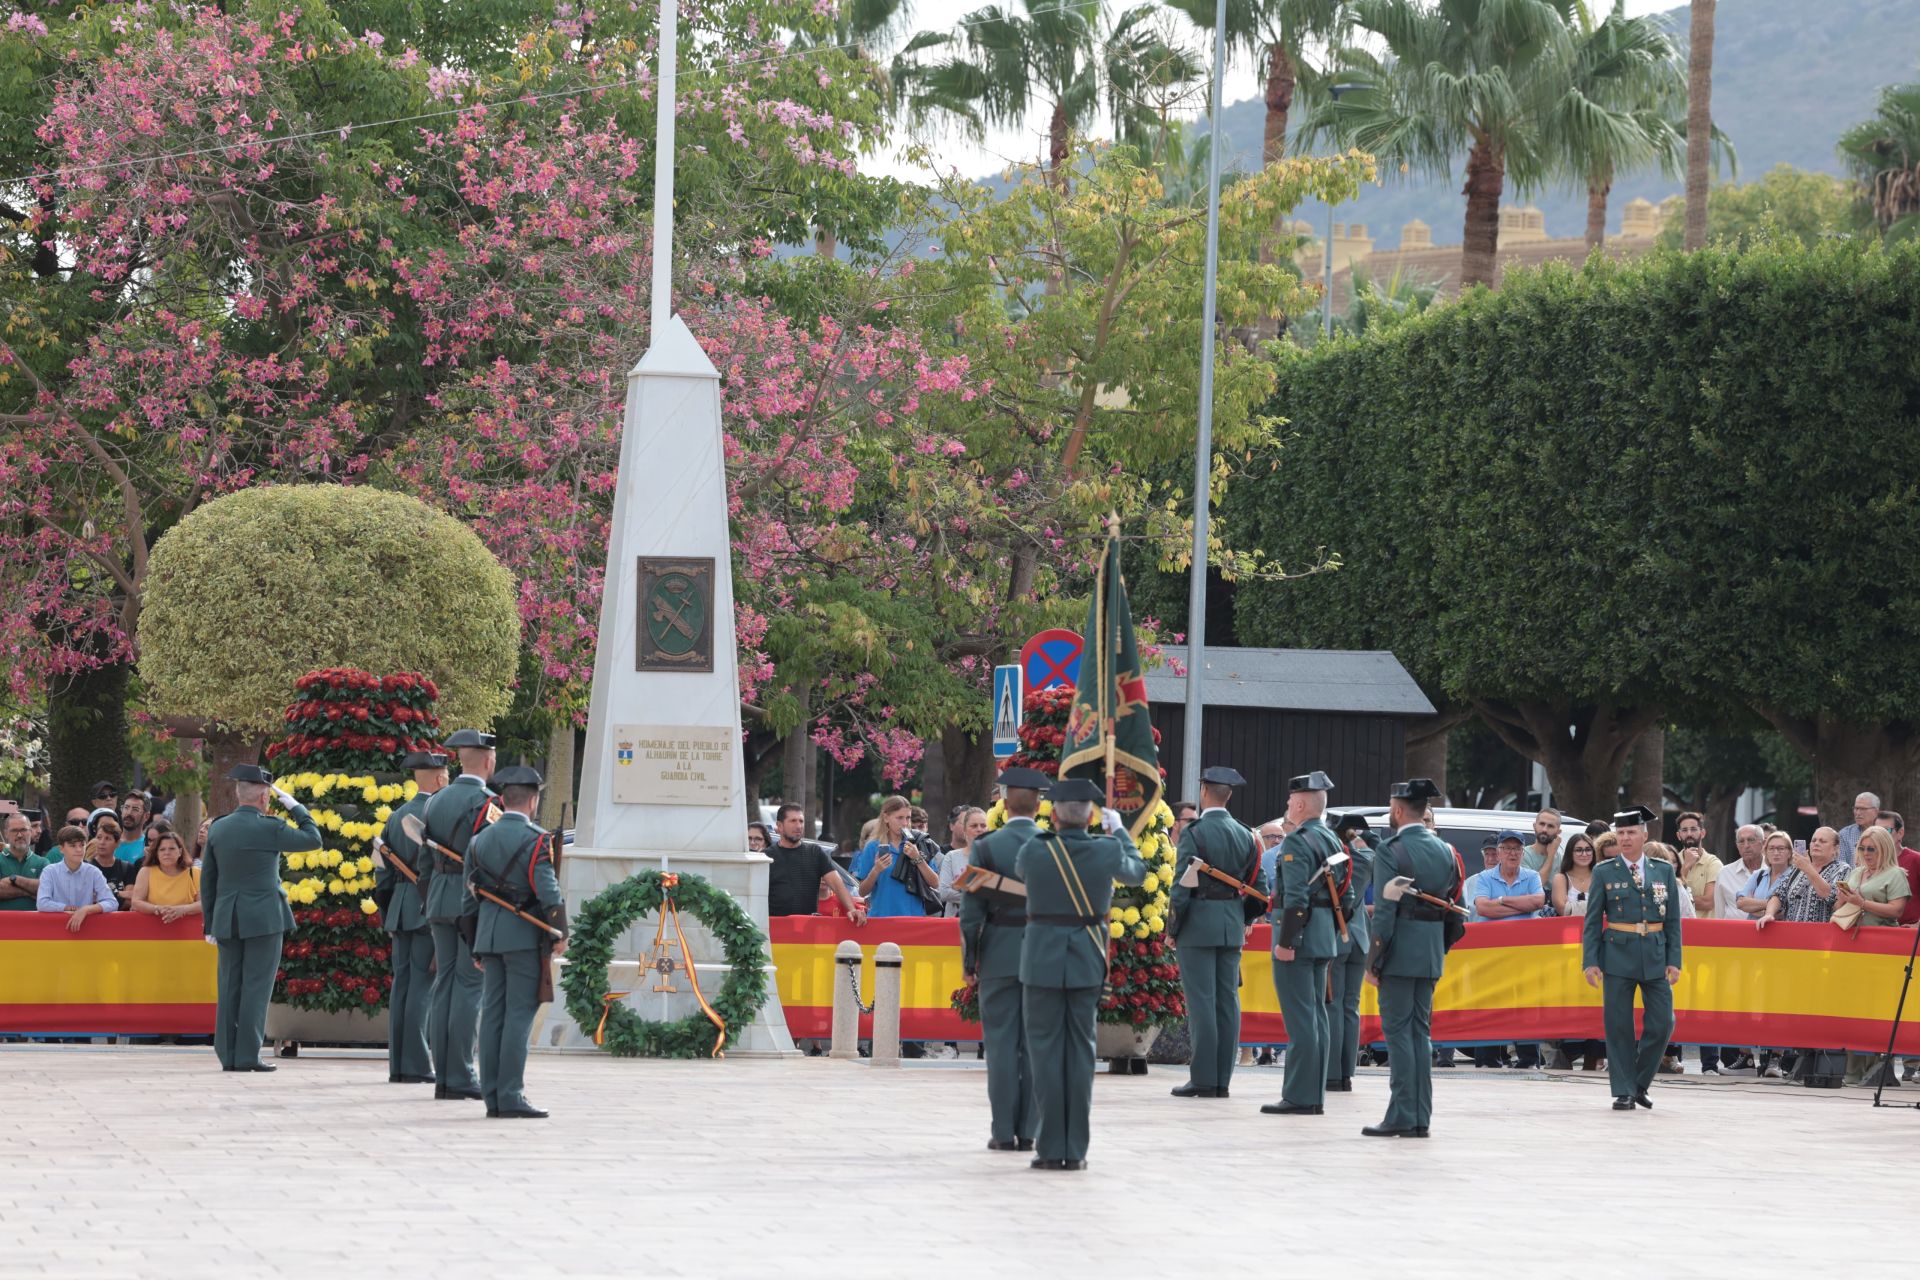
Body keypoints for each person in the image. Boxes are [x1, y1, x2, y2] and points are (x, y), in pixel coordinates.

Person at [1015, 777, 1146, 1170]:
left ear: (1053, 815)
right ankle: (1075, 1151)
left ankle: (1051, 1146)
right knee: (1081, 1054)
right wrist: (1119, 832)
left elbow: (1022, 872)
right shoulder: (1107, 849)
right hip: (1087, 958)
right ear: (1091, 816)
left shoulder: (1034, 851)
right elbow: (1137, 873)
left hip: (1041, 961)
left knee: (1045, 1054)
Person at [462, 764, 567, 1119]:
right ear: (533, 801)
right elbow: (548, 892)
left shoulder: (478, 841)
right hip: (523, 938)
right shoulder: (536, 839)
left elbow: (469, 901)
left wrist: (475, 943)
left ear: (503, 800)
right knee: (518, 1016)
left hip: (489, 938)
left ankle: (493, 1095)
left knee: (492, 1016)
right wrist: (560, 931)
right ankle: (511, 1094)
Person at [201, 765, 320, 1071]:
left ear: (237, 794)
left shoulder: (218, 827)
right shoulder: (271, 826)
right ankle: (248, 1055)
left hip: (227, 917)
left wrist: (209, 924)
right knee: (256, 987)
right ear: (266, 796)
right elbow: (312, 838)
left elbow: (209, 881)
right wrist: (296, 806)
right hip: (264, 917)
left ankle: (227, 1055)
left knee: (229, 986)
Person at [959, 767, 1047, 1152]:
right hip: (1044, 953)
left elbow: (970, 913)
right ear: (1040, 803)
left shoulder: (986, 847)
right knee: (1036, 1046)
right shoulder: (1053, 844)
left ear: (1005, 803)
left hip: (998, 953)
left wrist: (970, 960)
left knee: (1000, 1046)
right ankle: (1029, 1131)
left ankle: (1002, 1131)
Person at [1362, 778, 1453, 1138]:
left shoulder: (1391, 850)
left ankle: (1401, 1114)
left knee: (1399, 1034)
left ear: (1398, 810)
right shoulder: (1445, 850)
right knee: (1420, 1033)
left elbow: (1385, 911)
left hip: (1399, 952)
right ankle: (1419, 1115)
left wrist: (1373, 960)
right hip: (1429, 951)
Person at [1167, 765, 1264, 1100]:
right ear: (1230, 795)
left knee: (1202, 1004)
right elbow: (1258, 888)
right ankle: (1223, 1078)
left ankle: (1204, 1078)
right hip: (1231, 924)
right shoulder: (1247, 834)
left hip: (1197, 925)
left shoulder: (1194, 832)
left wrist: (1173, 927)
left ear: (1204, 791)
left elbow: (1182, 886)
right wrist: (1242, 918)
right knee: (1228, 1002)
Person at [1582, 805, 1684, 1111]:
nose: (1625, 839)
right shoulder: (1604, 871)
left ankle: (1639, 1083)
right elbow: (1591, 921)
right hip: (1616, 953)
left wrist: (1674, 960)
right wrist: (1590, 961)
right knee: (1619, 1027)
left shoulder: (1663, 870)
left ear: (1644, 834)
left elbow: (1673, 921)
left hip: (1654, 952)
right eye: (1621, 833)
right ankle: (1624, 1091)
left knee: (1663, 1022)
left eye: (1631, 832)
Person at [422, 728, 498, 1102]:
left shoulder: (435, 801)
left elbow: (425, 863)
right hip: (471, 904)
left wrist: (431, 898)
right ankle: (462, 1073)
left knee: (445, 986)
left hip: (438, 899)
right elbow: (495, 858)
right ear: (488, 761)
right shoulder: (488, 803)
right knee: (469, 987)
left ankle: (444, 1075)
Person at [1262, 770, 1342, 1118]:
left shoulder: (1296, 842)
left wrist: (1287, 941)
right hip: (1323, 936)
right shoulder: (1334, 840)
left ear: (1298, 803)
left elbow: (1294, 897)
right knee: (1317, 1017)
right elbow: (1347, 893)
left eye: (1289, 802)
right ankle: (1315, 1093)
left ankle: (1299, 1095)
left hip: (1300, 938)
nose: (1287, 807)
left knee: (1300, 1019)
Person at [376, 750, 447, 1086]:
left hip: (401, 908)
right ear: (440, 778)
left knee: (403, 986)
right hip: (426, 907)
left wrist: (387, 912)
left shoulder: (396, 815)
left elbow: (382, 873)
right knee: (422, 988)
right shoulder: (440, 815)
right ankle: (417, 1064)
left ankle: (399, 1065)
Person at [1835, 828, 1910, 1086]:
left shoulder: (1896, 874)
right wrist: (1843, 899)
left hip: (1882, 951)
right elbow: (1843, 907)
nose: (1866, 854)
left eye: (1871, 849)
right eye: (1862, 849)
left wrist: (1860, 902)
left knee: (1878, 1008)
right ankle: (1852, 1070)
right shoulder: (1856, 872)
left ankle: (1879, 1065)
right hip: (1854, 948)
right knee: (1854, 1007)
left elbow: (1896, 910)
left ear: (1884, 849)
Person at [1468, 831, 1545, 1069]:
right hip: (1490, 951)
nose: (1512, 853)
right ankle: (1488, 1058)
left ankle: (1528, 1058)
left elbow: (1538, 902)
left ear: (1523, 852)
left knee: (1525, 1002)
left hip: (1524, 951)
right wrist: (1521, 906)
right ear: (1499, 852)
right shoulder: (1483, 877)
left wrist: (1499, 901)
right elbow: (1482, 908)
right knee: (1489, 1001)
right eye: (1507, 848)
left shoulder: (1532, 876)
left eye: (1517, 849)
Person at [1325, 812, 1373, 1094]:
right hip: (1360, 938)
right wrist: (1357, 835)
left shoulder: (1334, 861)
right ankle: (1346, 1073)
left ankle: (1332, 1073)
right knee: (1350, 1007)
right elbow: (1374, 843)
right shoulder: (1365, 859)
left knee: (1333, 1004)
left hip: (1337, 936)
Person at [766, 804, 864, 920]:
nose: (798, 826)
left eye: (801, 821)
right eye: (793, 821)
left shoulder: (815, 852)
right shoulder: (766, 856)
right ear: (779, 826)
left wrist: (852, 909)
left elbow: (836, 883)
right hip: (776, 926)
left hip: (809, 927)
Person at [850, 795, 941, 917]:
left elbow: (935, 883)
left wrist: (918, 859)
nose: (905, 823)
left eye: (908, 818)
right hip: (882, 918)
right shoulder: (873, 847)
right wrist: (876, 870)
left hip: (913, 919)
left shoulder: (918, 843)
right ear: (886, 818)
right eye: (899, 818)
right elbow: (862, 891)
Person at [1758, 827, 1845, 926]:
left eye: (1822, 841)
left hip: (1820, 935)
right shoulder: (1798, 868)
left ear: (1835, 848)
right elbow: (1778, 895)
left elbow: (1832, 897)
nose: (1816, 843)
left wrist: (1808, 868)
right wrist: (1769, 914)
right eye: (1813, 840)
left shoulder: (1841, 868)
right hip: (1791, 933)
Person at [36, 824, 119, 927]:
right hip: (54, 930)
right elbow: (42, 903)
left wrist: (86, 909)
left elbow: (112, 902)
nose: (79, 849)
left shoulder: (93, 872)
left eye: (82, 845)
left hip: (86, 930)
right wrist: (67, 908)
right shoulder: (49, 871)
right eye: (73, 845)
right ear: (61, 849)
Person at [129, 829, 201, 923]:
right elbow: (136, 902)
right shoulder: (146, 872)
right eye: (162, 849)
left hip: (188, 932)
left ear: (180, 852)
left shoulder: (195, 873)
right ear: (157, 853)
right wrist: (158, 909)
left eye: (172, 848)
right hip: (152, 930)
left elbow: (204, 903)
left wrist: (182, 910)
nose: (167, 853)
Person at [936, 807, 988, 917]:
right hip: (953, 923)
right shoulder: (952, 857)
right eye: (974, 826)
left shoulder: (995, 857)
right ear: (964, 830)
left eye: (983, 825)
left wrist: (958, 888)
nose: (979, 829)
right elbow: (944, 893)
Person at [1873, 810, 1920, 927]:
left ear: (1900, 833)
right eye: (1876, 831)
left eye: (1886, 830)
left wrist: (1918, 925)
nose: (1880, 836)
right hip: (1876, 931)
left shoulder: (1916, 859)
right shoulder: (1869, 861)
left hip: (1909, 933)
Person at [1673, 812, 1723, 917]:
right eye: (1685, 830)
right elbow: (1667, 896)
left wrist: (1679, 899)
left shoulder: (1714, 863)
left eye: (1694, 829)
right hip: (1678, 929)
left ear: (1703, 833)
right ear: (1678, 835)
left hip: (1704, 929)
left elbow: (1708, 903)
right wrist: (1686, 866)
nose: (1689, 834)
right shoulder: (1671, 861)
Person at [1715, 825, 1767, 920]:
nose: (1746, 846)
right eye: (1741, 841)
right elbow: (1719, 913)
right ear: (1737, 845)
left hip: (1768, 931)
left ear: (1763, 843)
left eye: (1751, 840)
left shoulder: (1775, 871)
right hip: (1733, 932)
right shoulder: (1725, 873)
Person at [85, 817, 139, 907]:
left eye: (108, 839)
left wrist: (103, 895)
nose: (102, 842)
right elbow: (88, 899)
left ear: (117, 843)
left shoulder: (127, 868)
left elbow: (130, 901)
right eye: (99, 837)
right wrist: (120, 894)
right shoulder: (86, 867)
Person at [0, 812, 47, 911]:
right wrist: (29, 891)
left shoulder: (42, 863)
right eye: (14, 831)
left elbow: (47, 890)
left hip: (34, 925)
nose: (20, 835)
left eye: (23, 830)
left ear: (30, 831)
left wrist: (15, 879)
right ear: (6, 834)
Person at [1552, 832, 1599, 918]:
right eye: (1578, 850)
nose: (1584, 854)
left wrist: (1572, 907)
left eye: (1588, 849)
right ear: (1570, 853)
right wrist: (1597, 906)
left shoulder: (1600, 877)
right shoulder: (1560, 878)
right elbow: (1563, 910)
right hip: (1569, 930)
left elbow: (1610, 908)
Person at [1836, 792, 1879, 865]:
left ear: (1876, 811)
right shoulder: (1845, 834)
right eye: (1856, 808)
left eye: (1863, 809)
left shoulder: (1886, 832)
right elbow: (1841, 867)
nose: (1858, 813)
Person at [113, 793, 150, 863]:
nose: (129, 813)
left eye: (135, 809)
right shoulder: (110, 842)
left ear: (146, 816)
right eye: (126, 807)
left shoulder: (148, 847)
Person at [1524, 809, 1562, 876]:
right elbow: (1537, 885)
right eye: (1542, 824)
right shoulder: (1522, 855)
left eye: (1550, 826)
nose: (1544, 829)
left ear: (1558, 832)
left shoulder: (1562, 860)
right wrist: (1551, 856)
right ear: (1534, 826)